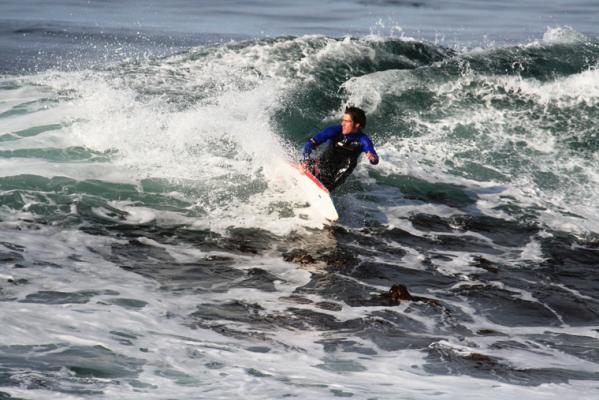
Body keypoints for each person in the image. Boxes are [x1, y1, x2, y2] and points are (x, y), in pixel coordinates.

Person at [302, 106, 379, 191]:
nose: (343, 124)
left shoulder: (363, 140)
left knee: (347, 164)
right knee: (307, 165)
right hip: (324, 163)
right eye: (343, 120)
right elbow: (310, 144)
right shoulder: (335, 130)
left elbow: (374, 159)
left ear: (357, 124)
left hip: (340, 172)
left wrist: (372, 158)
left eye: (347, 121)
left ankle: (326, 190)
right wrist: (306, 159)